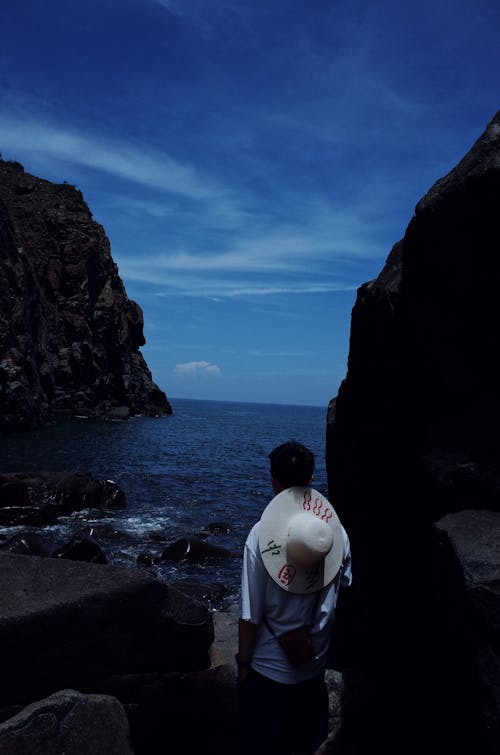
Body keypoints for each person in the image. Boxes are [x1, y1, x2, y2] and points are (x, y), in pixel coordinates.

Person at [238, 441, 352, 755]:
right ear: (312, 480)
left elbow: (250, 616)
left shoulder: (259, 535)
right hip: (312, 670)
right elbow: (344, 587)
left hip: (267, 673)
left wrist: (243, 664)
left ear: (274, 481)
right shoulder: (335, 534)